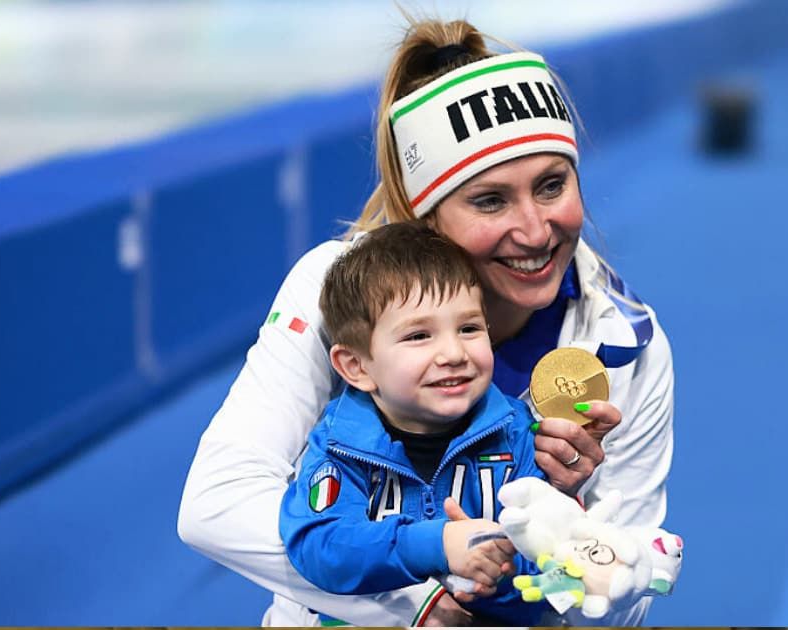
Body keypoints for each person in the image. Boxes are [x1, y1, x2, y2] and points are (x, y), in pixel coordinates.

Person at [178, 16, 675, 627]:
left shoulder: (626, 342)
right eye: (490, 200)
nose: (535, 229)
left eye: (551, 185)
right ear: (422, 214)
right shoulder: (336, 289)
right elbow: (216, 504)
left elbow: (619, 611)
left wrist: (566, 507)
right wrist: (417, 601)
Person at [279, 221, 546, 625]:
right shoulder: (340, 445)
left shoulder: (515, 433)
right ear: (356, 366)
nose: (454, 352)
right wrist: (435, 545)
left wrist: (495, 581)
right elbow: (322, 546)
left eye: (469, 328)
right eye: (420, 336)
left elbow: (542, 573)